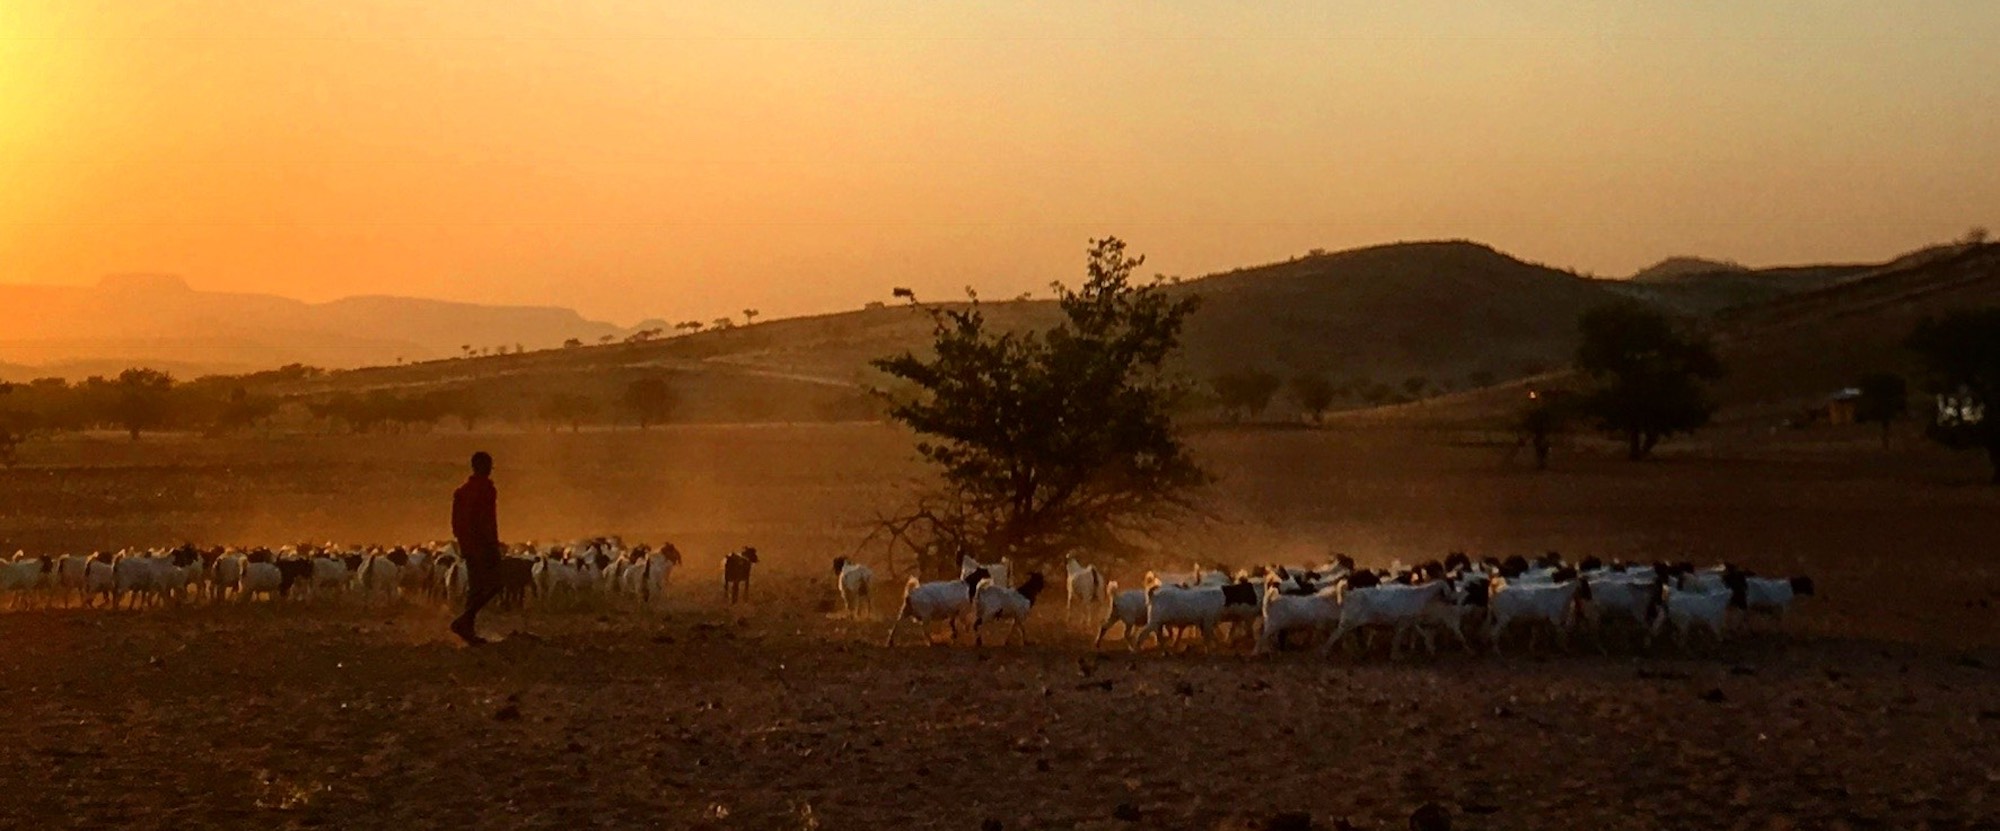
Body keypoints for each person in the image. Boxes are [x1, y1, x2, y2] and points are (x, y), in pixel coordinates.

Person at [450, 451, 501, 645]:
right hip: (484, 546)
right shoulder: (487, 489)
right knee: (495, 584)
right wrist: (492, 545)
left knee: (475, 588)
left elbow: (455, 523)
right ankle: (464, 622)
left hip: (468, 547)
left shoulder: (461, 492)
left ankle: (467, 629)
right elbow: (487, 520)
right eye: (489, 466)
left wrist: (464, 543)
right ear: (484, 467)